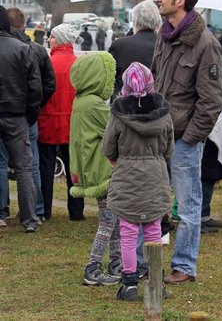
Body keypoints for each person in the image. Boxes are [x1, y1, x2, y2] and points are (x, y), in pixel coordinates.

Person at [151, 0, 222, 284]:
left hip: (184, 140)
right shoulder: (164, 36)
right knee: (152, 201)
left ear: (180, 1)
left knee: (189, 206)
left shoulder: (206, 44)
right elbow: (155, 80)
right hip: (157, 135)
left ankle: (184, 266)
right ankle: (147, 262)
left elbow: (212, 101)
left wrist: (192, 138)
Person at [104, 62, 174, 301]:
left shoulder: (118, 115)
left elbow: (108, 148)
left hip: (127, 178)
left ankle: (129, 284)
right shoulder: (164, 115)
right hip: (155, 177)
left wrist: (121, 161)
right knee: (154, 230)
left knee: (128, 231)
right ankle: (155, 281)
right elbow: (169, 150)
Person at [0, 5, 42, 233]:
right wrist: (29, 114)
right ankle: (29, 219)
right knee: (24, 169)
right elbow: (35, 87)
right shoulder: (23, 48)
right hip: (17, 115)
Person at [68, 51, 121, 286]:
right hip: (102, 172)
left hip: (93, 170)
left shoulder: (81, 101)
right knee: (108, 221)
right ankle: (93, 267)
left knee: (114, 218)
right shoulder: (94, 105)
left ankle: (117, 262)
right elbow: (115, 128)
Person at [9, 7, 55, 222]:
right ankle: (36, 208)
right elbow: (48, 84)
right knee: (31, 163)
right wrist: (35, 107)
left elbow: (47, 84)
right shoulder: (37, 50)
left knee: (0, 163)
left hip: (8, 112)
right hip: (29, 113)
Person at [37, 23, 85, 221]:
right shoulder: (79, 64)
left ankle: (44, 210)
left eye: (53, 37)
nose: (49, 40)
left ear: (61, 40)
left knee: (46, 168)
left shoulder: (48, 63)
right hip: (72, 121)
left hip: (48, 119)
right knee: (74, 168)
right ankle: (76, 211)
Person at [108, 0, 161, 97]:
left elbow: (109, 79)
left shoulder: (119, 45)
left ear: (135, 22)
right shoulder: (164, 46)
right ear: (157, 23)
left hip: (123, 102)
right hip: (156, 102)